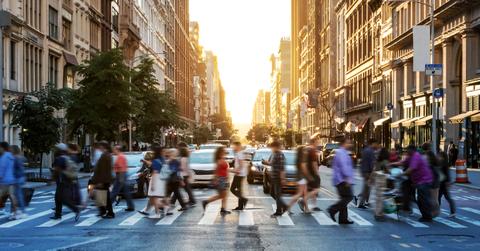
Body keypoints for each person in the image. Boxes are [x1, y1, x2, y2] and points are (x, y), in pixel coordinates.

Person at [402, 145, 434, 222]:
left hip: (424, 181)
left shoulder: (416, 156)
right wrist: (393, 164)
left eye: (408, 150)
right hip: (420, 181)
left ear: (412, 150)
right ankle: (426, 215)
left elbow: (411, 169)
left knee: (423, 199)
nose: (407, 152)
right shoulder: (411, 156)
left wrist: (401, 174)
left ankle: (427, 216)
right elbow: (403, 162)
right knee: (420, 199)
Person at [51, 143, 81, 221]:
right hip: (66, 180)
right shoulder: (66, 157)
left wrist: (52, 178)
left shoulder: (59, 158)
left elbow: (57, 170)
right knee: (58, 198)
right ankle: (58, 214)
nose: (55, 150)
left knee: (63, 199)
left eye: (56, 149)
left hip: (63, 181)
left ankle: (76, 209)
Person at [327, 138, 354, 224]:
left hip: (340, 179)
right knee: (348, 197)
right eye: (348, 142)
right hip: (342, 180)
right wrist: (347, 179)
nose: (350, 144)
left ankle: (343, 219)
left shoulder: (342, 152)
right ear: (343, 144)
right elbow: (344, 167)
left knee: (344, 198)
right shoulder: (341, 153)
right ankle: (333, 209)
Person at [202, 147, 231, 215]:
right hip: (221, 179)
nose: (225, 152)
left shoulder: (222, 159)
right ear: (221, 152)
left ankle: (223, 209)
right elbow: (216, 171)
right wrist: (215, 179)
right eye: (224, 151)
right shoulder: (219, 160)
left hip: (224, 179)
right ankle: (206, 202)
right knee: (222, 195)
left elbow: (225, 170)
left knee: (224, 195)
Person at [263, 141, 287, 218]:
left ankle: (279, 211)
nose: (271, 149)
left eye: (272, 147)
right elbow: (271, 163)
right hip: (273, 177)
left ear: (276, 147)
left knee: (277, 194)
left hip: (278, 178)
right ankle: (284, 206)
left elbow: (282, 168)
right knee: (272, 193)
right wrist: (265, 162)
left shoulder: (280, 155)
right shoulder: (274, 154)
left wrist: (283, 179)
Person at [91, 141, 114, 218]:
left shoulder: (105, 156)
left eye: (100, 146)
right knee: (102, 196)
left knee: (104, 196)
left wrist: (100, 181)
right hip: (104, 179)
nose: (99, 148)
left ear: (103, 147)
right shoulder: (106, 155)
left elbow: (104, 170)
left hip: (103, 180)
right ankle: (103, 211)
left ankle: (109, 213)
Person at [144, 146, 168, 218]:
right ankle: (152, 211)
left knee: (154, 197)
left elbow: (154, 172)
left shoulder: (155, 160)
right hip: (162, 179)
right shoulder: (163, 160)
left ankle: (159, 211)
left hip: (156, 179)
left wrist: (153, 184)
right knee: (152, 197)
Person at [286, 146, 311, 213]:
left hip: (300, 177)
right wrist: (309, 177)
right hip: (302, 178)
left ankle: (307, 209)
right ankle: (288, 206)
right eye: (304, 150)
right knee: (299, 194)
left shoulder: (299, 158)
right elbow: (304, 169)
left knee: (305, 194)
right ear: (301, 152)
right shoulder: (302, 158)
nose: (306, 152)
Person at [110, 145, 135, 212]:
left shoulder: (120, 157)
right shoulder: (121, 156)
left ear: (117, 150)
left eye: (114, 149)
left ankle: (108, 206)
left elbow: (121, 167)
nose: (113, 151)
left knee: (114, 191)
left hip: (120, 175)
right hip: (122, 174)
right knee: (126, 192)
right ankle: (131, 206)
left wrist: (120, 178)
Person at [356, 138, 378, 209]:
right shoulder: (371, 151)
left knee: (367, 188)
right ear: (372, 143)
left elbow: (362, 162)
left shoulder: (365, 150)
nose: (376, 145)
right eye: (376, 143)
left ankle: (363, 201)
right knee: (366, 188)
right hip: (368, 172)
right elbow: (372, 164)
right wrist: (372, 173)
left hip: (364, 171)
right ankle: (361, 203)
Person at [421, 143, 441, 217]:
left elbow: (434, 175)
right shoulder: (432, 164)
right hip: (434, 182)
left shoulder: (432, 167)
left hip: (434, 183)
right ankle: (435, 212)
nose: (426, 160)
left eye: (427, 159)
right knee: (433, 199)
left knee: (434, 199)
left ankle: (435, 213)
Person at [0, 142, 18, 220]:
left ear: (2, 148)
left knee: (4, 196)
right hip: (12, 180)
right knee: (12, 197)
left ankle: (3, 209)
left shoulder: (3, 157)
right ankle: (14, 213)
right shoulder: (11, 156)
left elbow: (2, 169)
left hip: (4, 180)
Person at [302, 137, 321, 212]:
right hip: (312, 173)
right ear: (314, 142)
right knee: (316, 189)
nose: (319, 143)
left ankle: (313, 206)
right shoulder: (313, 150)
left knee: (310, 189)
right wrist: (317, 173)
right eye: (317, 141)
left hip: (306, 172)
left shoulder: (306, 149)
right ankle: (304, 200)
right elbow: (314, 163)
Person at [230, 141, 248, 210]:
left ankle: (244, 199)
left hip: (239, 174)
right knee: (239, 190)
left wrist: (237, 170)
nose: (233, 147)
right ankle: (240, 206)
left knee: (232, 189)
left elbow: (241, 164)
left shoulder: (239, 153)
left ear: (238, 146)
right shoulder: (239, 153)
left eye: (234, 146)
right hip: (241, 173)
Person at [11, 145, 27, 219]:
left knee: (17, 196)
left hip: (17, 178)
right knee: (15, 195)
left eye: (11, 149)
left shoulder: (16, 158)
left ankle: (22, 211)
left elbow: (19, 169)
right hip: (19, 178)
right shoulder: (19, 157)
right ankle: (17, 211)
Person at [438, 151, 456, 217]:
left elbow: (447, 174)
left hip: (443, 183)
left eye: (439, 156)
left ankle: (452, 212)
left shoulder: (444, 164)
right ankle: (452, 212)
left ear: (442, 157)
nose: (438, 157)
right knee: (440, 197)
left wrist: (448, 182)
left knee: (445, 197)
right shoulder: (442, 163)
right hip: (442, 183)